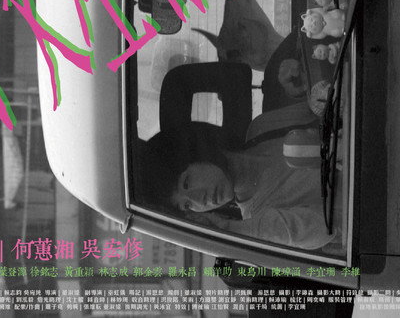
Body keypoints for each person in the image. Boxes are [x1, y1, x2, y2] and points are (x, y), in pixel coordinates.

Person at [137, 101, 342, 251]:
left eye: (187, 183)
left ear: (197, 152)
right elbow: (328, 227)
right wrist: (230, 229)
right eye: (187, 206)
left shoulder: (262, 128)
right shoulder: (257, 221)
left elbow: (329, 104)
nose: (200, 200)